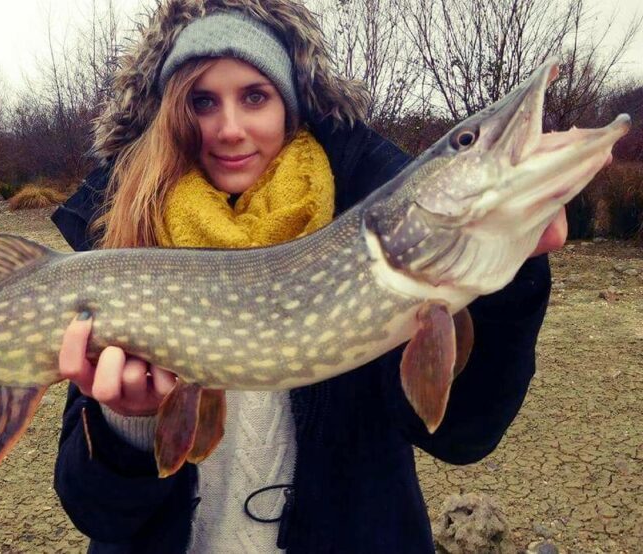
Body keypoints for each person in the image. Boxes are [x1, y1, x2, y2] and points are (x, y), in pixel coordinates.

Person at [50, 0, 568, 552]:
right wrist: (131, 425)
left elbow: (463, 435)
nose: (229, 129)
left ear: (290, 107)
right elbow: (97, 512)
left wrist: (506, 275)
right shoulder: (128, 239)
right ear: (173, 115)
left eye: (255, 96)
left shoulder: (374, 233)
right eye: (203, 101)